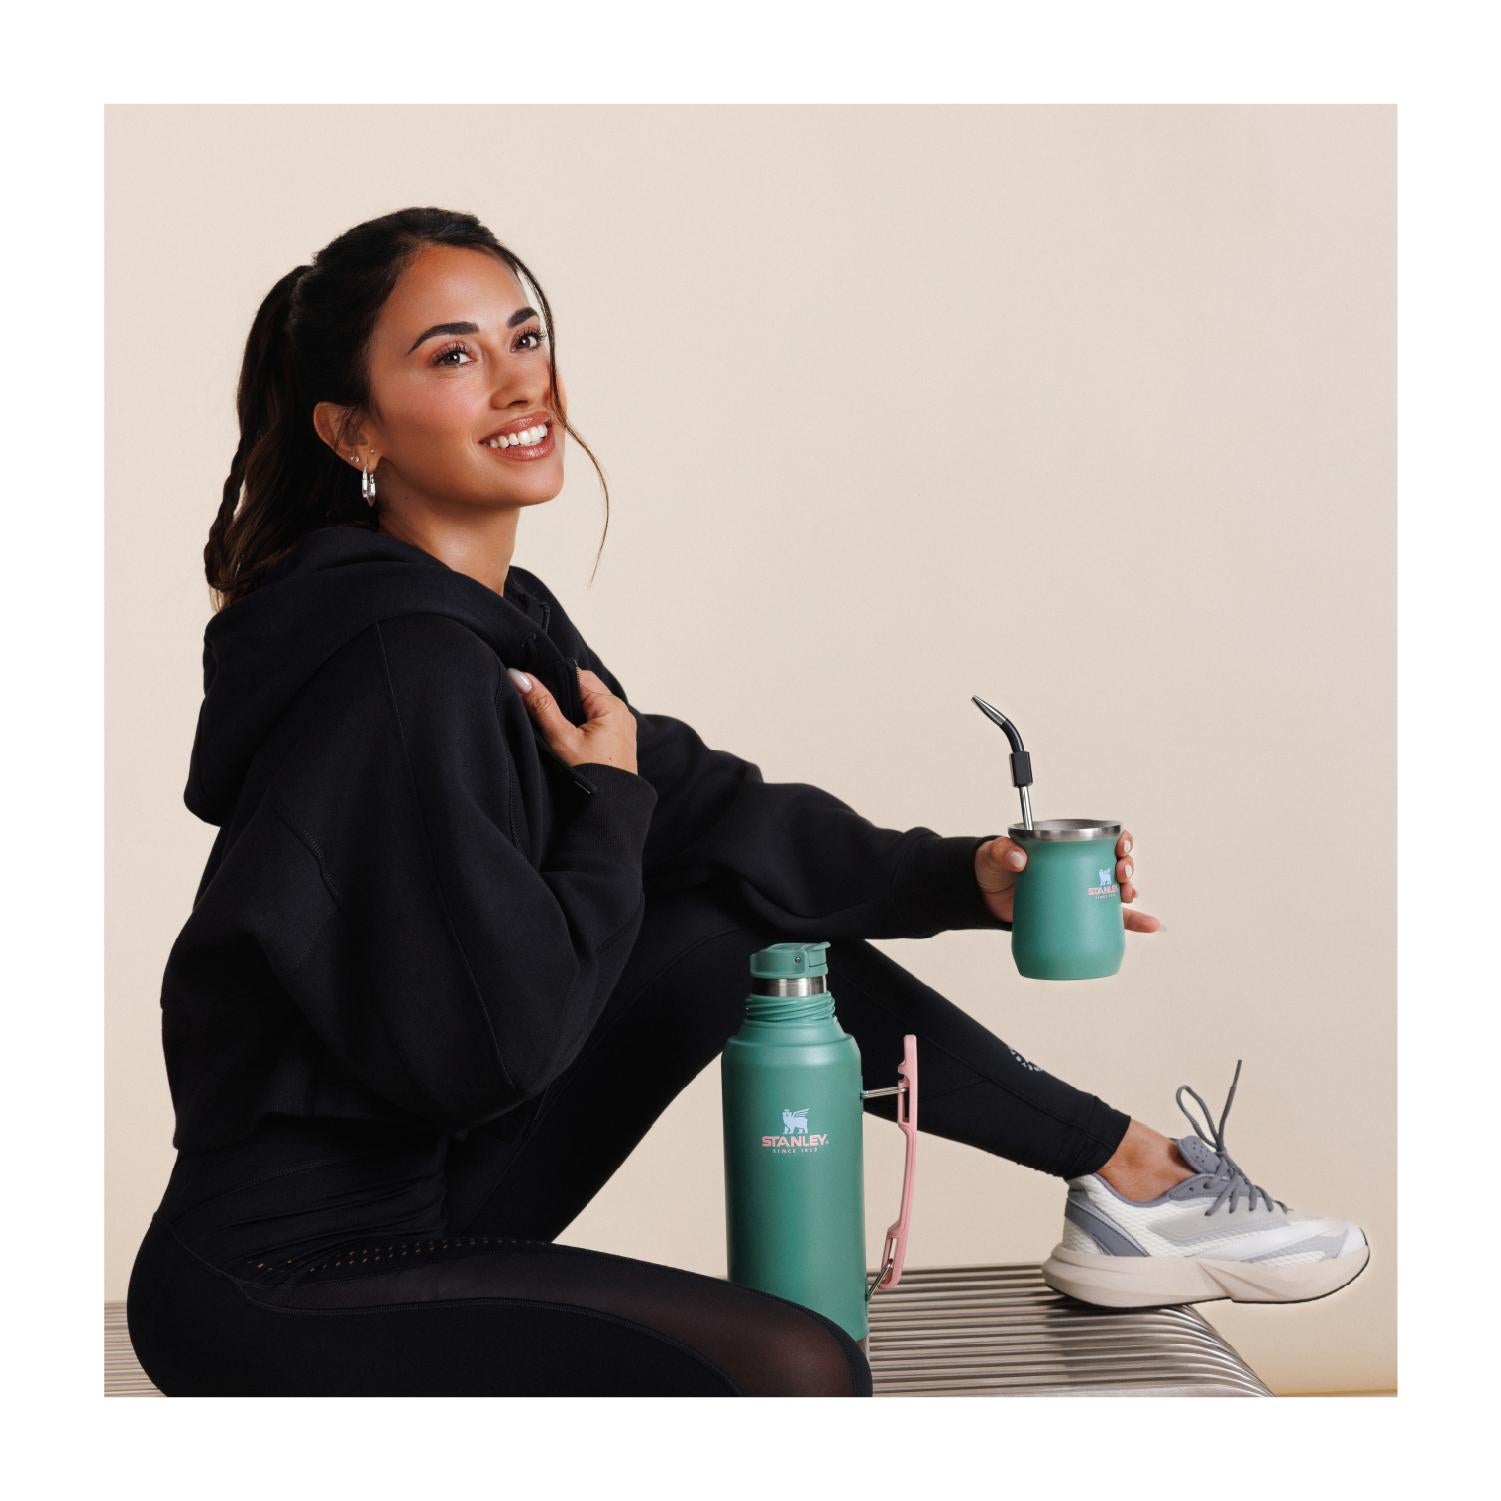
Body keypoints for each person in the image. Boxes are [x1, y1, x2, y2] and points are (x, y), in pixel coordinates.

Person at [125, 207, 1369, 1397]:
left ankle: (1135, 1175)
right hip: (283, 1274)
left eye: (526, 335)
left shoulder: (501, 627)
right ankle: (1136, 1181)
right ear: (353, 433)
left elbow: (703, 809)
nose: (519, 384)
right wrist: (607, 804)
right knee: (798, 1370)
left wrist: (961, 876)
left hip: (433, 1194)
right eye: (454, 356)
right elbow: (494, 1049)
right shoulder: (402, 669)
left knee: (738, 927)